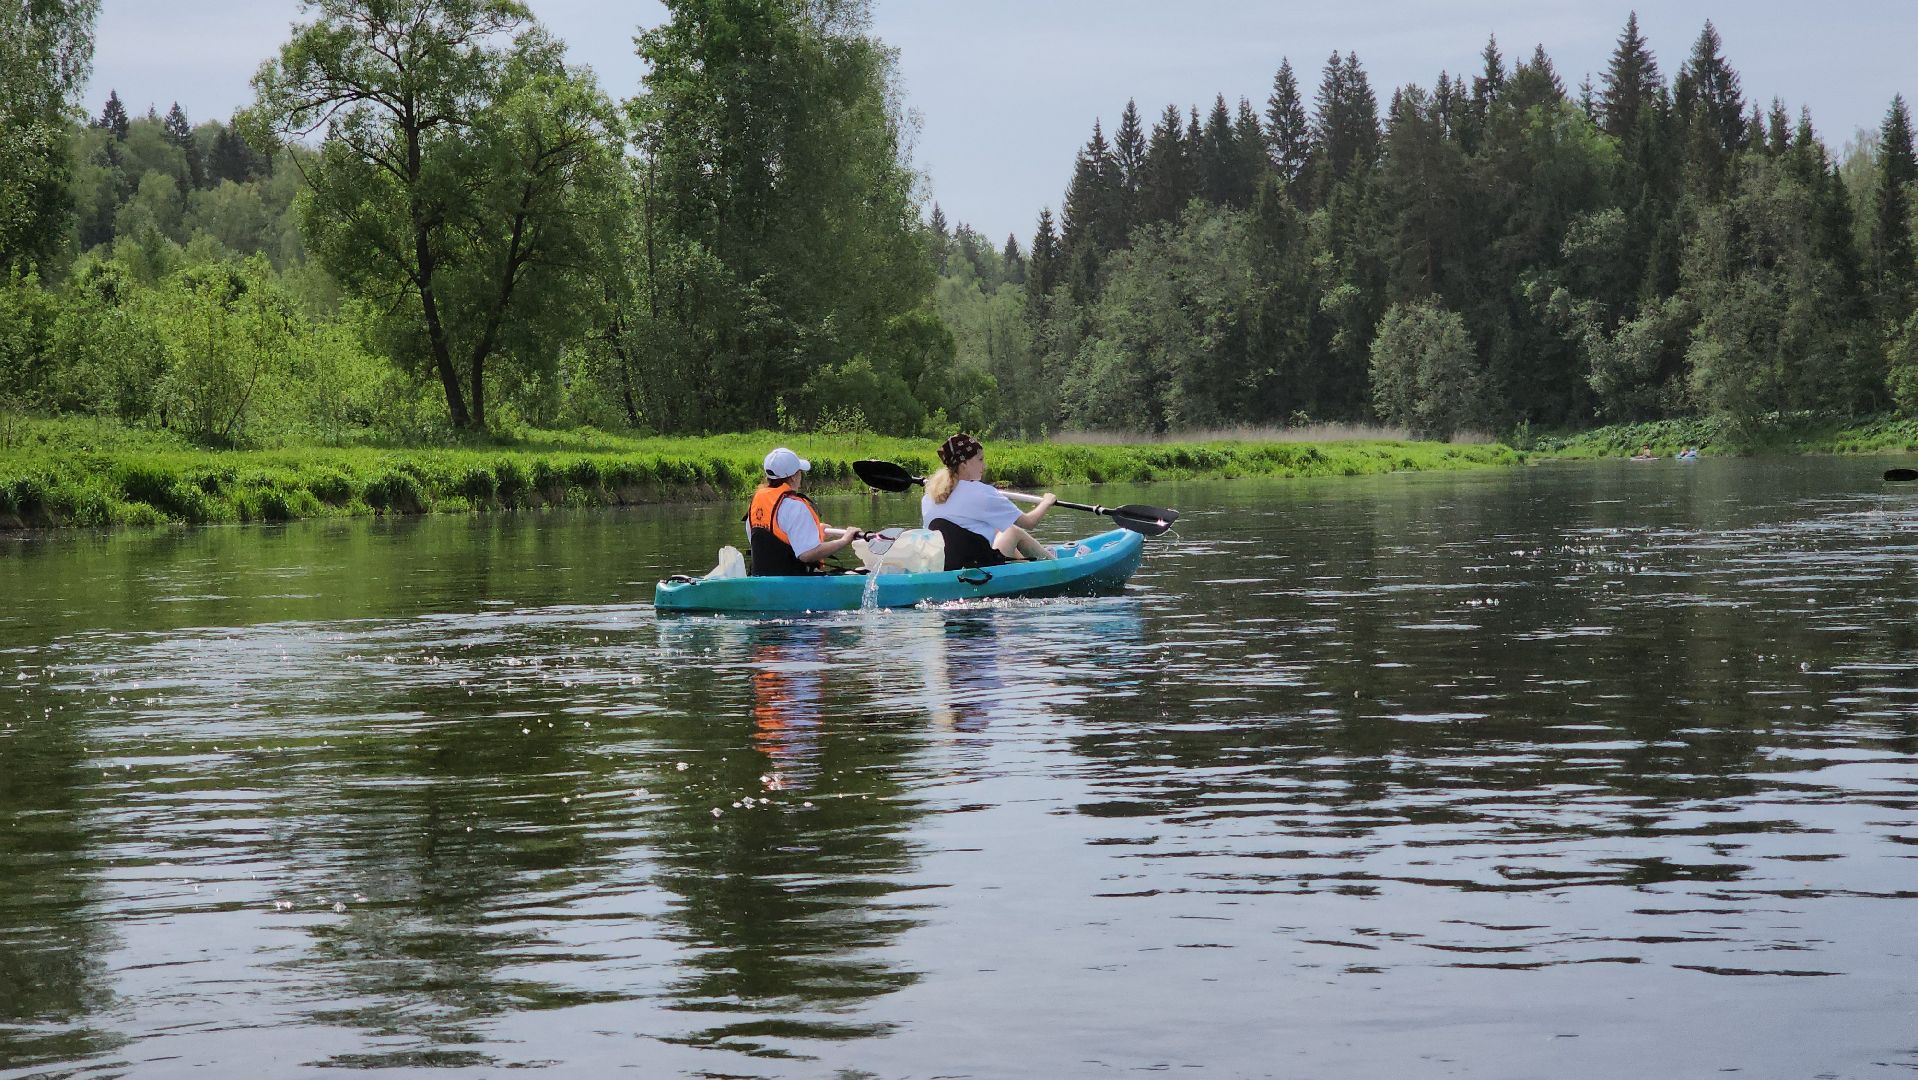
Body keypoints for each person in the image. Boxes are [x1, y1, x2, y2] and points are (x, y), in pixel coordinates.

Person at [920, 433, 1057, 571]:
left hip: (945, 568)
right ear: (964, 464)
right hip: (980, 568)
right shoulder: (982, 492)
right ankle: (1056, 566)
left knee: (998, 530)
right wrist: (1046, 502)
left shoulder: (928, 497)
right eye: (980, 460)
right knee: (1012, 531)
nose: (984, 466)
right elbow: (1029, 522)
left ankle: (1028, 567)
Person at [746, 447, 865, 576]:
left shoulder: (755, 506)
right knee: (862, 572)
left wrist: (816, 532)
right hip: (795, 584)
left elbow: (772, 543)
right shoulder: (794, 506)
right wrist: (844, 540)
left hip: (762, 582)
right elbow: (807, 555)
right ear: (793, 477)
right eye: (799, 472)